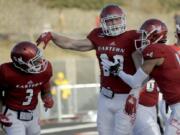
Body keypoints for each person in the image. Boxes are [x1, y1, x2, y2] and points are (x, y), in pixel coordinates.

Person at [36, 4, 141, 135]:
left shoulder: (133, 37)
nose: (114, 23)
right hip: (105, 96)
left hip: (126, 95)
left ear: (123, 19)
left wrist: (136, 94)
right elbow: (72, 44)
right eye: (110, 20)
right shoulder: (98, 35)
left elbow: (144, 69)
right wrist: (53, 35)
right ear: (103, 22)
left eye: (117, 19)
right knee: (103, 132)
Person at [110, 18, 180, 135]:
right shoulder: (167, 50)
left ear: (154, 35)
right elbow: (144, 81)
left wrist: (118, 71)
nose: (141, 38)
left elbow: (135, 82)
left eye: (144, 35)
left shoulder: (155, 50)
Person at [0, 41, 54, 135]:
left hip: (33, 112)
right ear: (21, 63)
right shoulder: (7, 72)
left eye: (39, 58)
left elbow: (46, 90)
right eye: (35, 61)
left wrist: (47, 97)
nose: (40, 62)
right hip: (12, 113)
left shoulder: (45, 70)